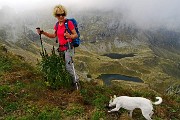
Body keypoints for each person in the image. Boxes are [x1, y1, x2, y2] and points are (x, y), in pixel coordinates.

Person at [36, 4, 79, 88]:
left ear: (64, 14)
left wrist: (70, 36)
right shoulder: (57, 25)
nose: (61, 16)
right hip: (61, 48)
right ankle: (67, 81)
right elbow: (53, 35)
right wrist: (43, 32)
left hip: (69, 47)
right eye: (58, 15)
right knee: (63, 66)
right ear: (56, 15)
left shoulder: (69, 23)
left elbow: (75, 35)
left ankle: (76, 82)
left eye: (62, 14)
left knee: (68, 66)